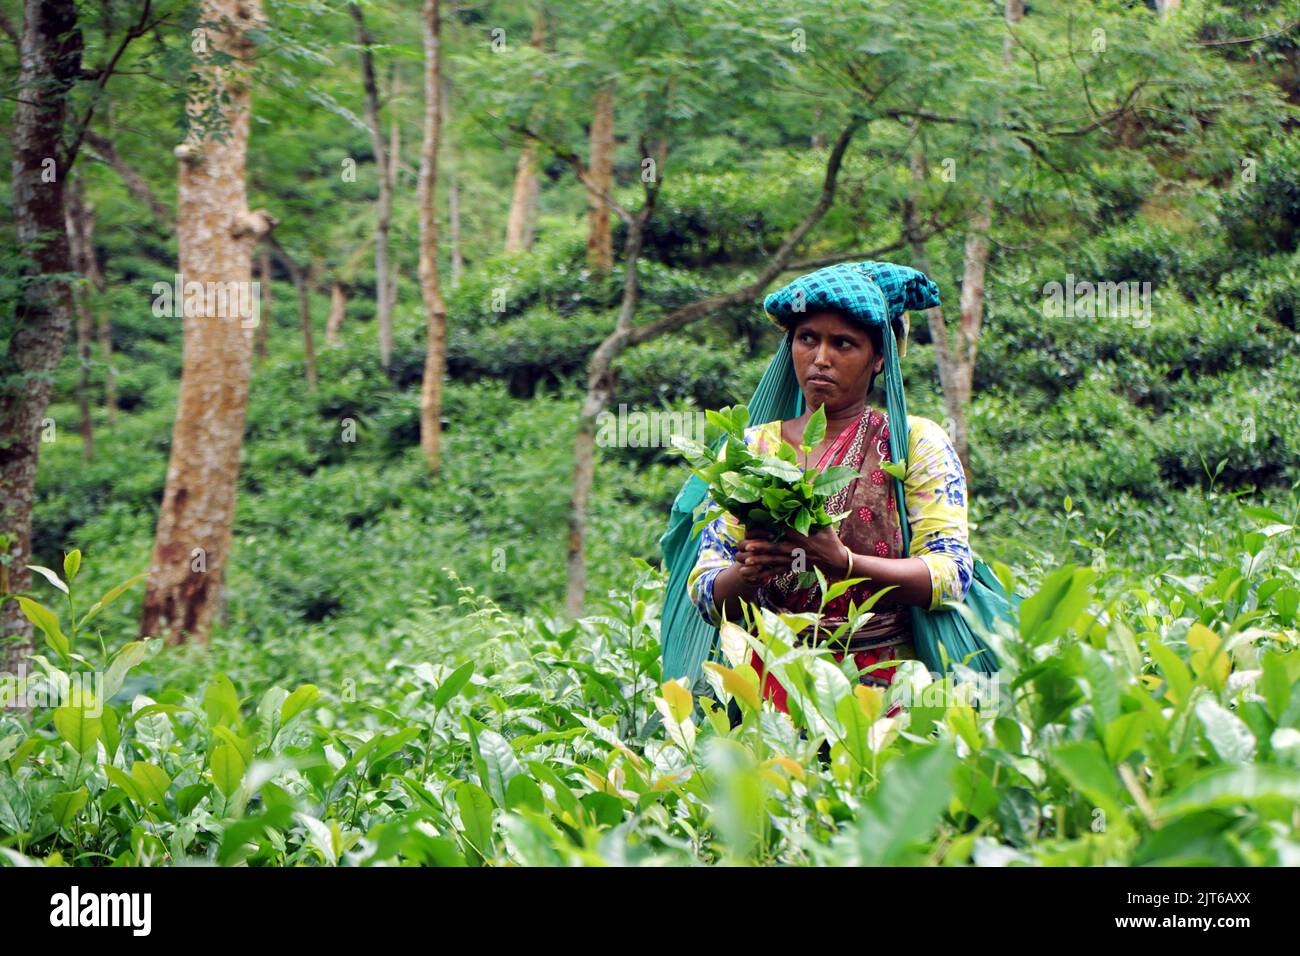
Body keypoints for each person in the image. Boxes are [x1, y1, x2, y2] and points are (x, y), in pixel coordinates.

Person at [684, 261, 972, 717]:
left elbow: (951, 573)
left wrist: (845, 564)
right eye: (807, 339)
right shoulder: (752, 449)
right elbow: (704, 587)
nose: (821, 358)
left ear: (880, 358)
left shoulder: (913, 442)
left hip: (881, 690)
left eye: (844, 343)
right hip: (768, 690)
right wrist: (748, 573)